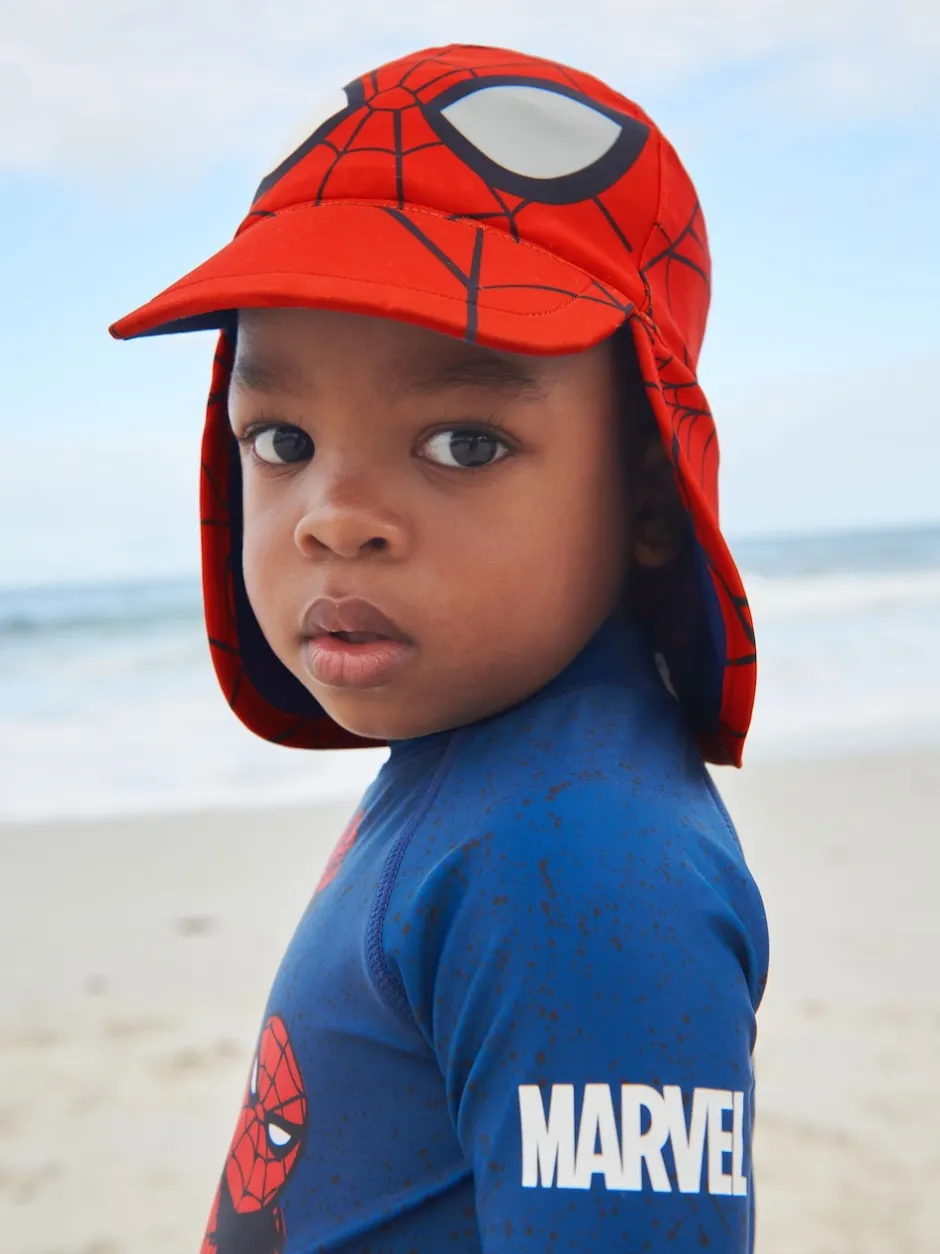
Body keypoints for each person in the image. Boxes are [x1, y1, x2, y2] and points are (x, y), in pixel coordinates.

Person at [110, 42, 769, 1254]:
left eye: (463, 442)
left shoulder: (581, 864)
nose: (330, 517)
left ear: (648, 495)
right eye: (281, 439)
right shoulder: (487, 772)